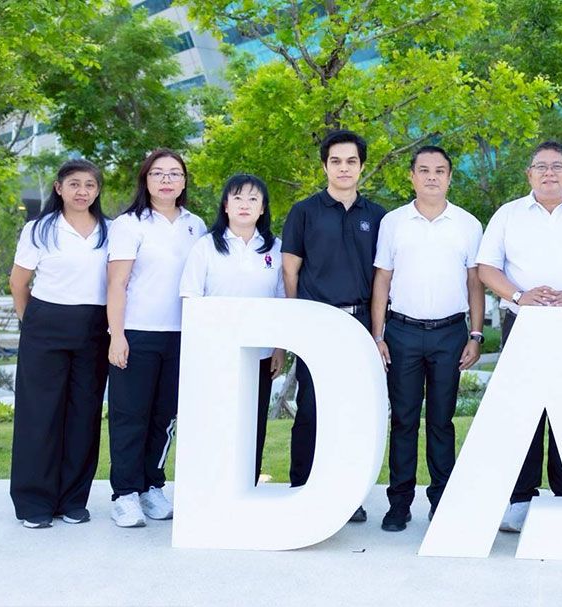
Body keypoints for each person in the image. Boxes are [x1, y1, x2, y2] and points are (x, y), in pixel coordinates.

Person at [476, 140, 562, 533]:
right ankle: (520, 497)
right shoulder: (508, 215)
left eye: (557, 166)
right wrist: (519, 296)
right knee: (523, 410)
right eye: (541, 166)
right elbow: (486, 268)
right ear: (529, 174)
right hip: (522, 322)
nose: (549, 173)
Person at [370, 145, 484, 532]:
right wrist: (378, 334)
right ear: (412, 176)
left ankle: (441, 502)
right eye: (424, 170)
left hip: (450, 334)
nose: (432, 176)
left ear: (450, 177)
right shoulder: (394, 222)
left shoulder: (468, 224)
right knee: (403, 420)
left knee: (441, 421)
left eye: (439, 170)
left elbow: (475, 282)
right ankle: (399, 504)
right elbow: (382, 279)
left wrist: (475, 334)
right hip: (402, 332)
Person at [281, 129, 385, 522]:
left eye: (351, 161)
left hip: (359, 323)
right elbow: (290, 271)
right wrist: (295, 322)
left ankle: (347, 495)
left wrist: (378, 331)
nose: (344, 168)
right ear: (325, 166)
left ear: (361, 166)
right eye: (336, 161)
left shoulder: (377, 216)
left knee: (352, 413)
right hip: (316, 322)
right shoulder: (304, 212)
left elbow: (383, 277)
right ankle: (301, 487)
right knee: (311, 409)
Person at [106, 149, 207, 528]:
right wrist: (117, 335)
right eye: (158, 173)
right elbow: (116, 283)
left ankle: (152, 487)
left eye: (175, 173)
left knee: (164, 417)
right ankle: (125, 494)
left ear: (184, 181)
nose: (167, 180)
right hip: (137, 333)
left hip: (182, 335)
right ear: (145, 180)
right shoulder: (129, 224)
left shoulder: (196, 225)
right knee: (130, 416)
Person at [8, 159, 111, 528]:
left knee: (84, 414)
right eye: (74, 184)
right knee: (40, 415)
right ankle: (34, 502)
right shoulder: (39, 229)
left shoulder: (111, 231)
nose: (82, 191)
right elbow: (19, 283)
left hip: (94, 328)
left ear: (97, 190)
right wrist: (32, 323)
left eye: (89, 185)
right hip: (45, 325)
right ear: (59, 188)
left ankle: (72, 500)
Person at [179, 174, 286, 485]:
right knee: (214, 422)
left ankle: (246, 485)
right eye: (237, 198)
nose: (245, 205)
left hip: (259, 354)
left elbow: (283, 300)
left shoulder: (275, 248)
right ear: (225, 205)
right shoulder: (206, 246)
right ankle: (209, 488)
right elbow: (191, 297)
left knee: (253, 423)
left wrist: (279, 347)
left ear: (263, 208)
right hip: (215, 353)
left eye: (253, 199)